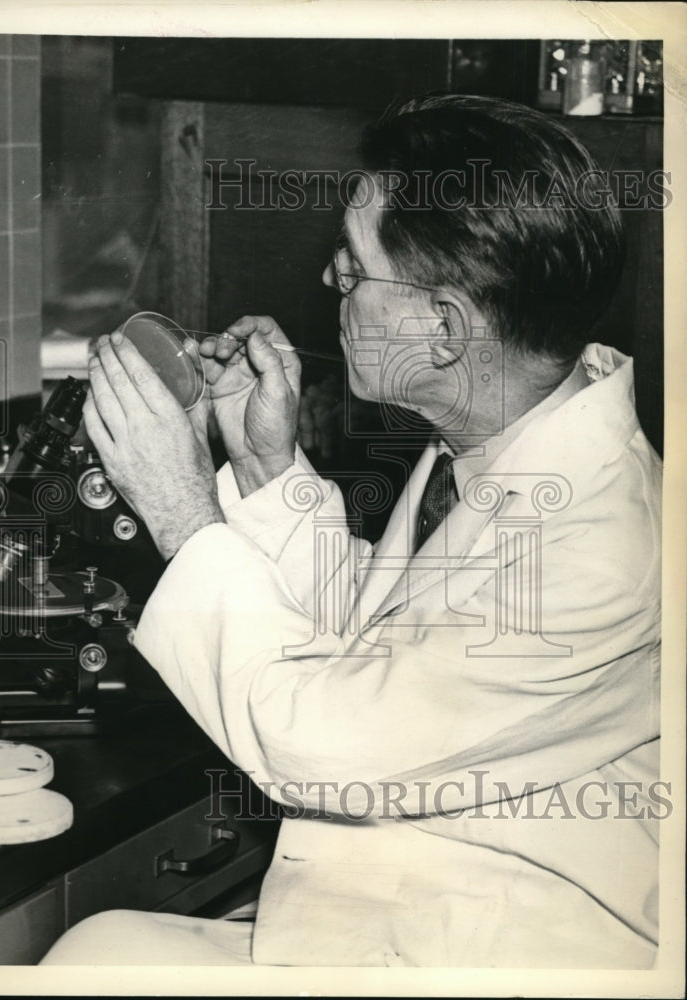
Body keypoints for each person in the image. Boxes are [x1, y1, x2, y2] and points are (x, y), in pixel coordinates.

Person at [41, 95, 661, 967]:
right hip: (422, 908)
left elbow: (329, 748)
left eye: (355, 267)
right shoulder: (503, 437)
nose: (332, 280)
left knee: (93, 960)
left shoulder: (600, 547)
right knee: (101, 953)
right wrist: (269, 469)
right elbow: (389, 648)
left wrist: (183, 514)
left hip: (510, 949)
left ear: (445, 329)